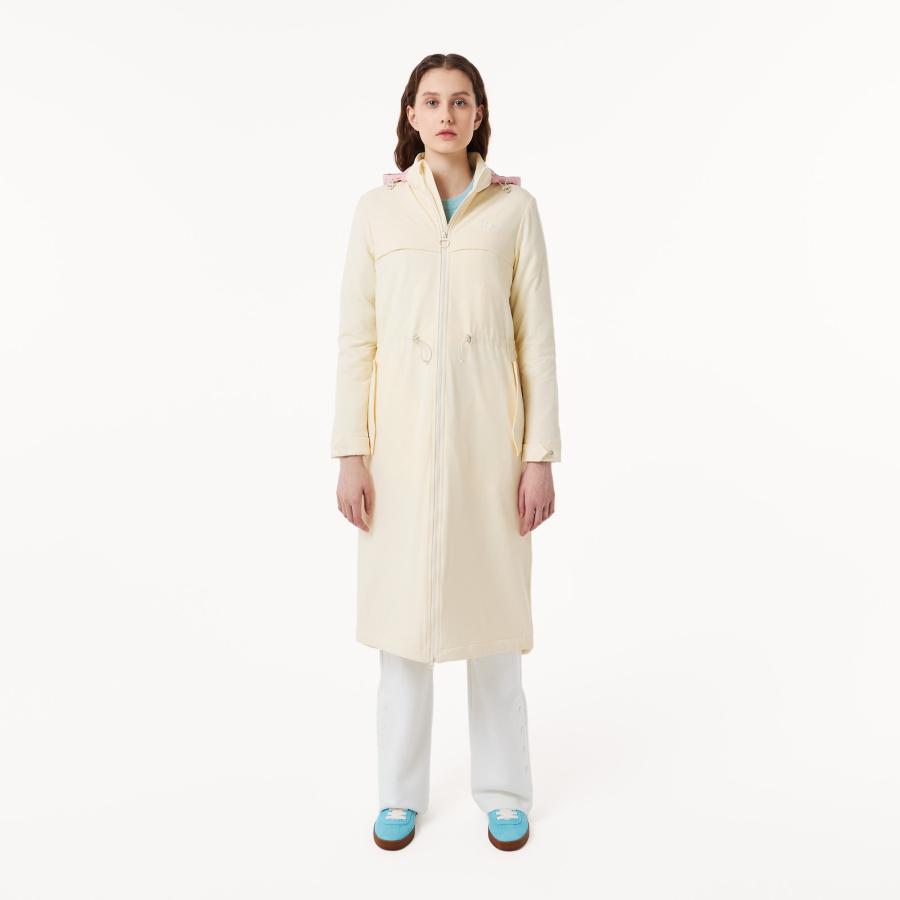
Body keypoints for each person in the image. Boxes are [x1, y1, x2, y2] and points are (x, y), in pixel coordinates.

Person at [330, 53, 562, 852]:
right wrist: (350, 451)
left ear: (478, 114)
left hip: (489, 449)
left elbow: (537, 342)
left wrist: (538, 455)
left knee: (493, 627)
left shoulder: (513, 211)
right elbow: (356, 340)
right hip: (396, 453)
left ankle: (504, 791)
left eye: (460, 101)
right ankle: (399, 794)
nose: (446, 115)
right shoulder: (377, 212)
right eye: (431, 101)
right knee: (403, 631)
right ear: (411, 115)